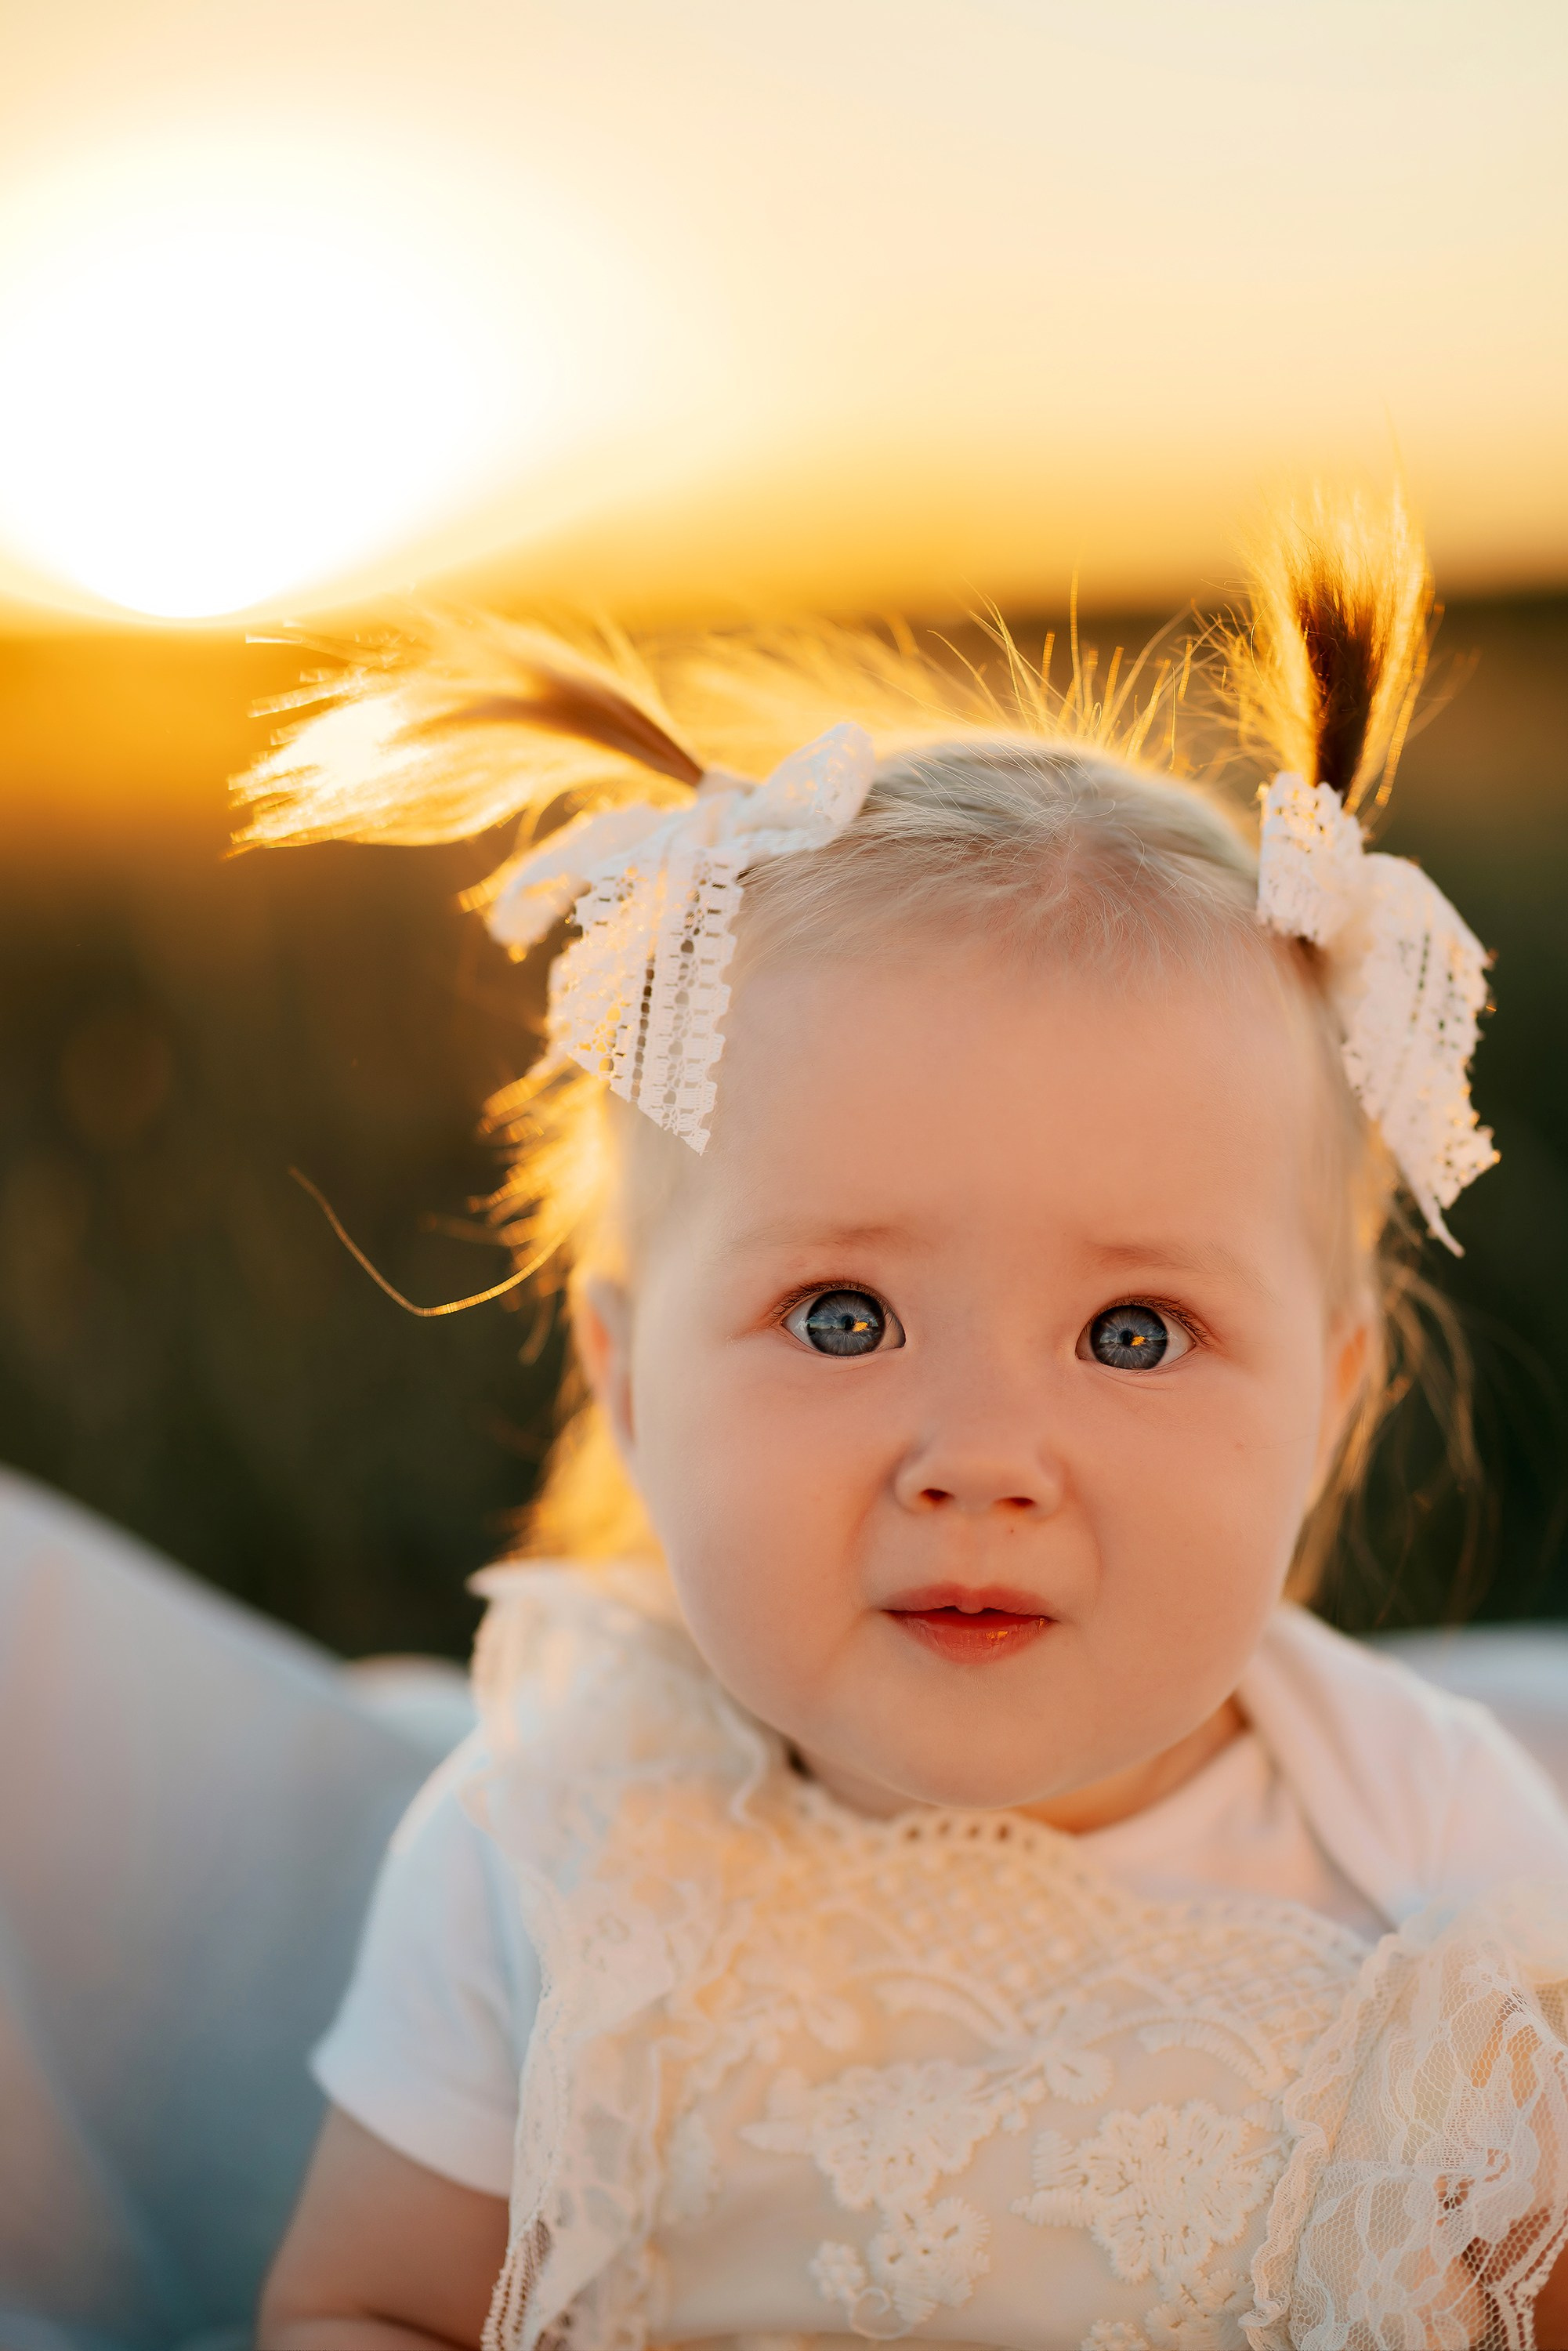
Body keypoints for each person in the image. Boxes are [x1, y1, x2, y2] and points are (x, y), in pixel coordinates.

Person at [251, 494, 1568, 2350]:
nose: (977, 1453)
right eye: (843, 1316)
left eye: (1131, 1329)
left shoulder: (1437, 1859)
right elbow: (368, 2306)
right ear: (630, 1388)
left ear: (1328, 1400)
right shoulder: (553, 1853)